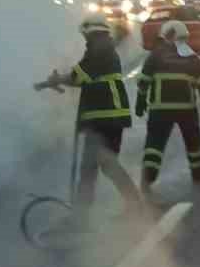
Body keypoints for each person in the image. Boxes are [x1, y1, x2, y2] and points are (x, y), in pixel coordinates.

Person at [35, 18, 142, 225]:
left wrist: (58, 80)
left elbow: (79, 76)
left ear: (90, 32)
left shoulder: (99, 48)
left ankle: (81, 217)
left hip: (105, 117)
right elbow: (84, 76)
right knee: (102, 165)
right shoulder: (102, 47)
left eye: (84, 34)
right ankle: (122, 207)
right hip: (105, 117)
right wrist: (59, 80)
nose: (83, 37)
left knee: (95, 165)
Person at [135, 20, 200, 196]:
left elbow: (144, 80)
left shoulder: (155, 55)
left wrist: (140, 102)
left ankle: (148, 175)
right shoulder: (192, 57)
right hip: (186, 108)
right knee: (193, 139)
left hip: (159, 108)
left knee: (155, 142)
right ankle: (198, 171)